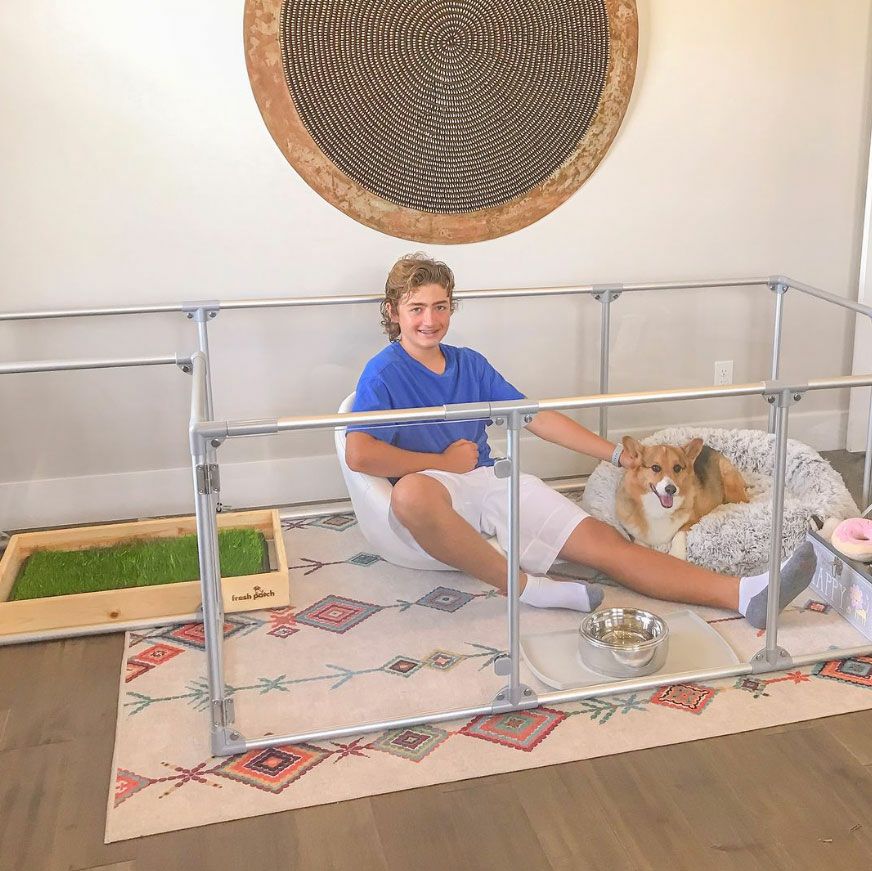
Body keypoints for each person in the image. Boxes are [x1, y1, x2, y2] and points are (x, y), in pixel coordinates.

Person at [345, 253, 815, 627]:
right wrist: (445, 462)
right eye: (417, 308)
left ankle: (743, 594)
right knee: (411, 493)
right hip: (433, 486)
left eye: (440, 306)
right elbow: (359, 453)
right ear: (393, 312)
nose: (430, 319)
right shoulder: (382, 373)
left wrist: (614, 454)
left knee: (608, 545)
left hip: (486, 479)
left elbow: (536, 418)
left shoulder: (469, 363)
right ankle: (528, 588)